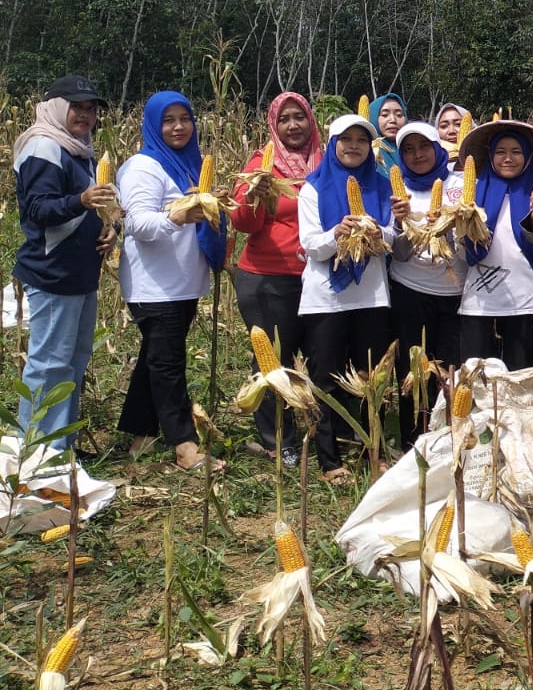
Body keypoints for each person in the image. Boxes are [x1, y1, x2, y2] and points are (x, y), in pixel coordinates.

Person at [117, 91, 228, 472]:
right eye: (169, 120)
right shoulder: (143, 167)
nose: (179, 127)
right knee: (168, 364)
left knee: (155, 359)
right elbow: (137, 224)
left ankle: (140, 435)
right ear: (153, 125)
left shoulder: (188, 164)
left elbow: (195, 206)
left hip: (181, 284)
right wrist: (181, 216)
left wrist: (214, 203)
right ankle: (184, 445)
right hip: (155, 286)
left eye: (185, 118)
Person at [10, 75, 117, 452]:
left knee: (72, 362)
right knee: (49, 365)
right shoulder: (44, 147)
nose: (85, 115)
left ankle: (61, 446)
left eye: (91, 109)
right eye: (77, 107)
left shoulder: (77, 149)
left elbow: (92, 206)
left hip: (80, 274)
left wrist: (109, 227)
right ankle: (38, 452)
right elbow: (38, 210)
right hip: (52, 273)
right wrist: (82, 201)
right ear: (56, 107)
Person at [298, 114, 398, 481]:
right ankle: (329, 459)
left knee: (370, 379)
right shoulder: (312, 188)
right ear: (332, 143)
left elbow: (393, 239)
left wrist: (376, 233)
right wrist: (336, 234)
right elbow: (311, 246)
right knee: (325, 380)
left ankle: (371, 450)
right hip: (326, 299)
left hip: (370, 297)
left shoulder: (383, 185)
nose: (354, 146)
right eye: (346, 139)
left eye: (361, 140)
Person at [229, 92, 322, 466]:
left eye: (299, 117)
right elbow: (242, 223)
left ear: (310, 120)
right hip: (268, 278)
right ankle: (277, 439)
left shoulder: (324, 161)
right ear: (273, 124)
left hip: (317, 278)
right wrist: (256, 195)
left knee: (319, 358)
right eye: (284, 119)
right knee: (273, 363)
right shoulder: (261, 163)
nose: (293, 125)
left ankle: (321, 429)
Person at [456, 120, 533, 371]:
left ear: (528, 156)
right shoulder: (474, 196)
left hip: (524, 304)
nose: (508, 158)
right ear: (490, 157)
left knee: (521, 382)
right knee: (477, 382)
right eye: (500, 152)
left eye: (516, 152)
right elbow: (459, 254)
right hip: (478, 304)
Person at [388, 122, 464, 445]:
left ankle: (444, 439)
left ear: (437, 149)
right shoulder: (397, 189)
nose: (417, 155)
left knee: (448, 372)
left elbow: (473, 243)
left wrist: (445, 228)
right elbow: (400, 254)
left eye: (423, 147)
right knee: (412, 371)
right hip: (409, 290)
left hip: (455, 292)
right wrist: (401, 221)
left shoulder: (459, 184)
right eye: (408, 149)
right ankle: (411, 440)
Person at [367, 93, 407, 177]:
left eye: (399, 115)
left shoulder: (414, 151)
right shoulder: (367, 152)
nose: (393, 120)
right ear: (373, 117)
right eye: (385, 115)